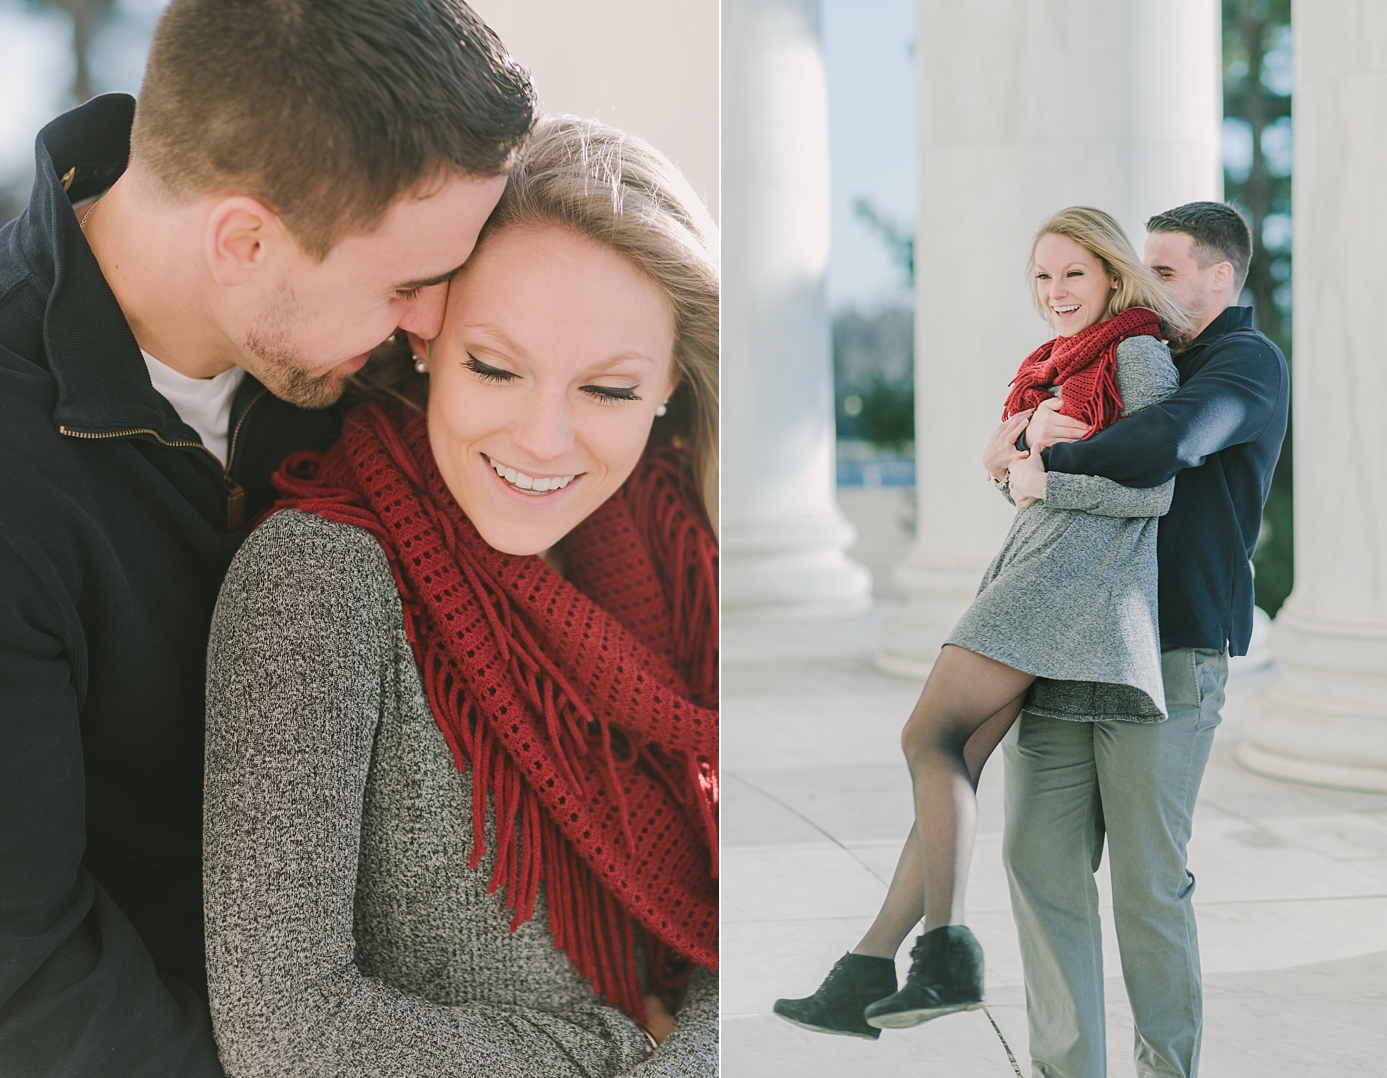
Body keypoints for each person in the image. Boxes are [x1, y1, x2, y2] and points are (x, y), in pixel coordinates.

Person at [0, 2, 534, 1074]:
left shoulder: (342, 352)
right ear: (242, 239)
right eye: (404, 283)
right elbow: (28, 978)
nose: (437, 324)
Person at [202, 116, 719, 1077]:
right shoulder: (317, 581)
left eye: (607, 390)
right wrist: (628, 1057)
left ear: (669, 389)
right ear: (430, 338)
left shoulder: (682, 552)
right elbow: (285, 1032)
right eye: (496, 367)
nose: (544, 439)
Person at [773, 207, 1193, 1037]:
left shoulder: (1137, 353)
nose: (1055, 291)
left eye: (1073, 272)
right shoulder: (1056, 367)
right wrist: (1004, 464)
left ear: (1112, 273)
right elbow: (1051, 473)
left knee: (926, 739)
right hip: (1041, 566)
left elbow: (1155, 490)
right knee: (952, 758)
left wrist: (1041, 482)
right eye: (1042, 276)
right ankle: (864, 970)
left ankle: (949, 952)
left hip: (1065, 584)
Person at [1000, 200, 1288, 1078]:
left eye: (1164, 272)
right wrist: (1022, 444)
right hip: (1059, 644)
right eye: (1139, 268)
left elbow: (1172, 439)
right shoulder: (1110, 349)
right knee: (1036, 864)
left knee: (1146, 887)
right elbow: (1019, 472)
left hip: (1168, 654)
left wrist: (1037, 464)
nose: (1143, 285)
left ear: (1219, 278)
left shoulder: (1244, 362)